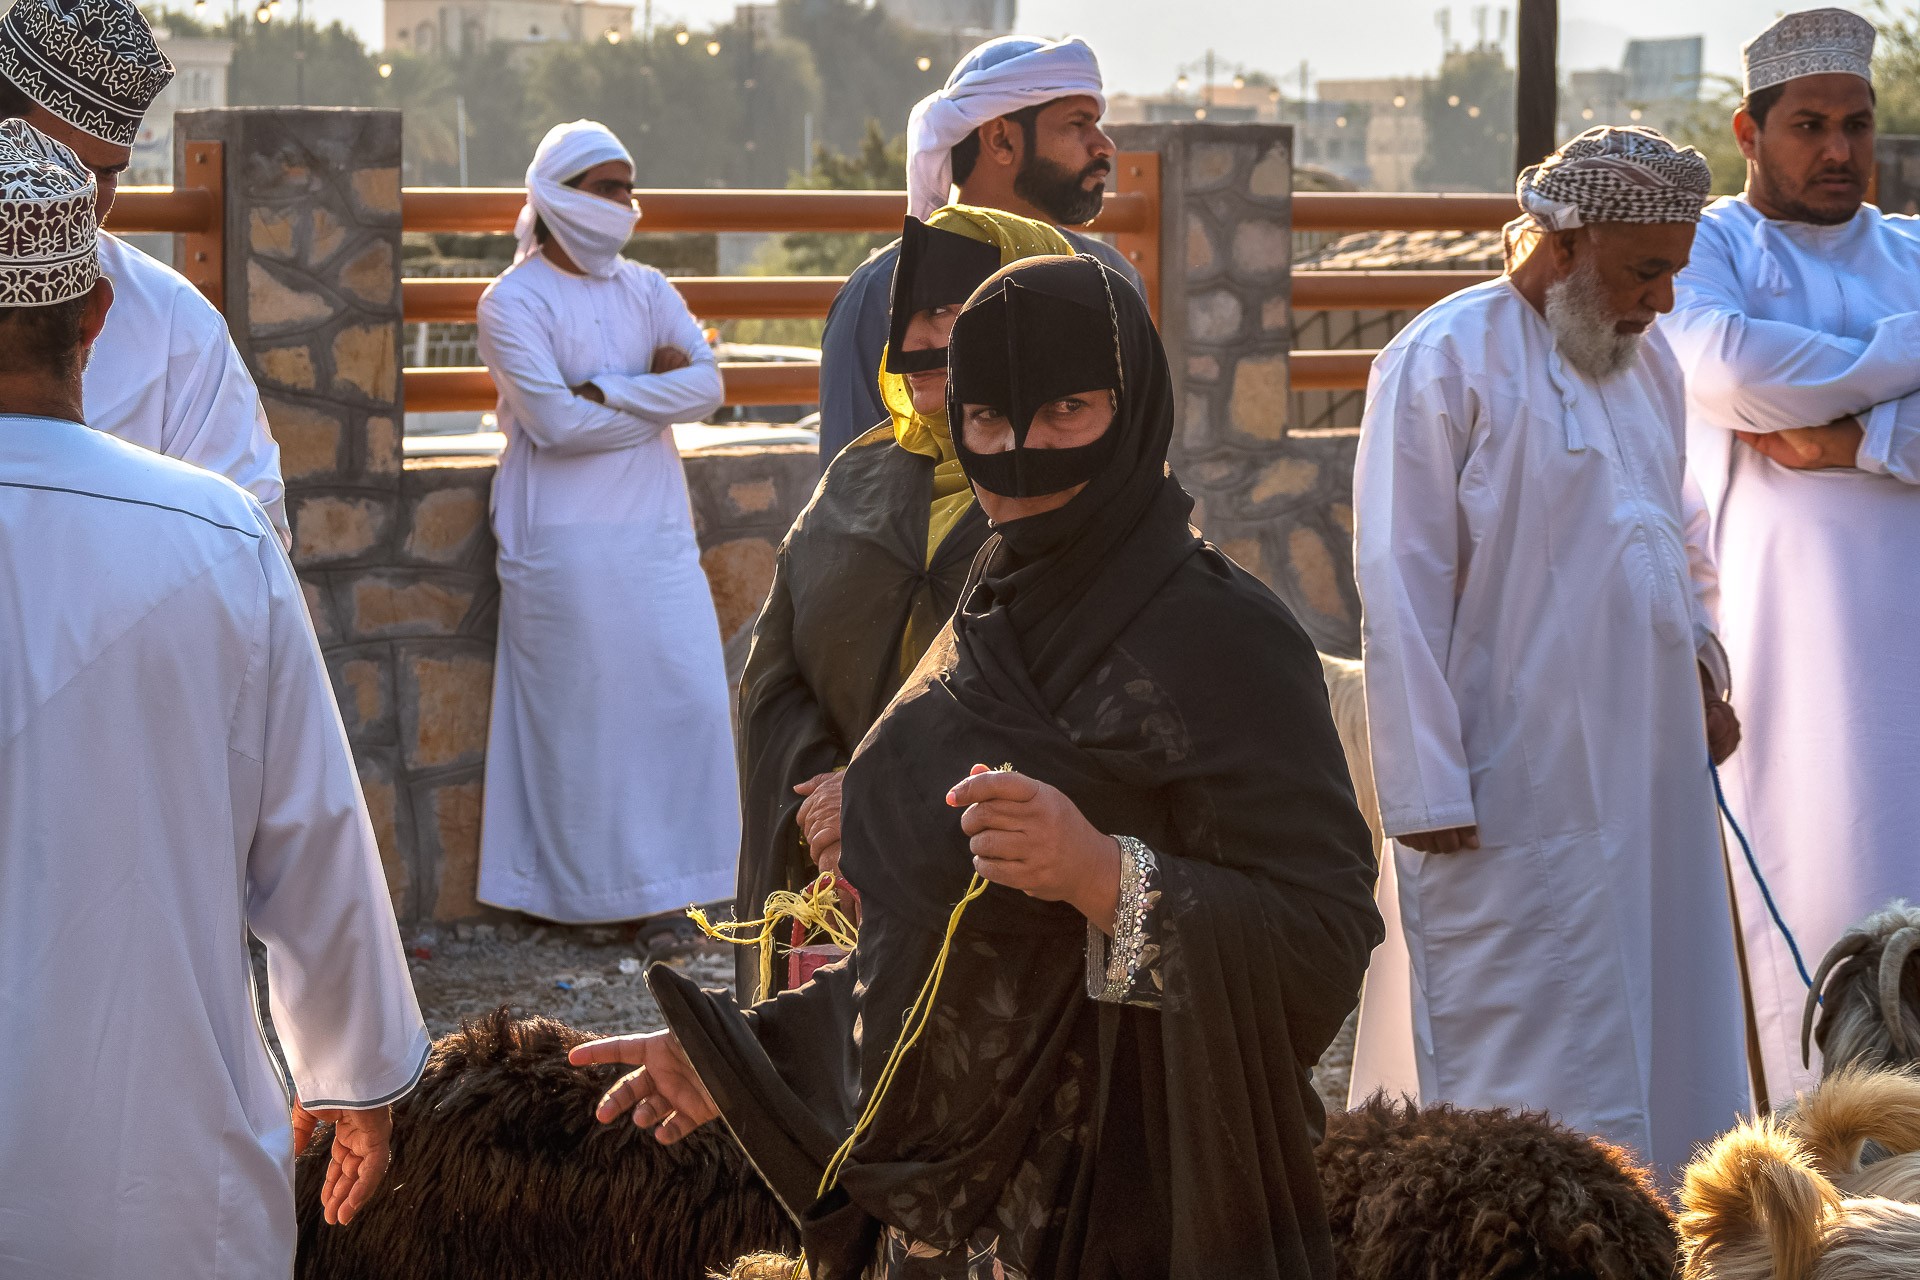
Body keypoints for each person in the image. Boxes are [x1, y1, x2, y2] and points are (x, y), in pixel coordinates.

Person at [575, 255, 1382, 1279]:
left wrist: (1104, 875)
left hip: (1136, 1207)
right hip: (941, 1229)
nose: (1021, 455)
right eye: (990, 420)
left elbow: (1325, 935)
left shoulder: (1227, 640)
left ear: (1135, 408)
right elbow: (941, 958)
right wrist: (739, 1059)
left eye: (1066, 412)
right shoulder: (991, 609)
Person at [0, 119, 427, 1278]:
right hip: (160, 1189)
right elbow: (314, 839)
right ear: (94, 317)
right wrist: (354, 1074)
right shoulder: (219, 537)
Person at [1347, 126, 1749, 1177]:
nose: (1663, 302)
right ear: (1562, 243)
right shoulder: (1443, 357)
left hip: (1652, 770)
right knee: (1524, 1058)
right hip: (1506, 782)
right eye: (1644, 271)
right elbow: (1399, 581)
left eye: (1675, 272)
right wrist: (1427, 788)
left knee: (1670, 1027)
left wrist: (1704, 675)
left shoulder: (1645, 361)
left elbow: (1678, 529)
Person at [1663, 8, 1920, 1104]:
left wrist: (1864, 440)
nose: (1837, 150)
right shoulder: (1713, 245)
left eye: (1855, 125)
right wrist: (1905, 354)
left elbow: (1794, 390)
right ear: (1749, 132)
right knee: (1813, 906)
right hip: (1784, 660)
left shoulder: (1911, 245)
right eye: (1809, 124)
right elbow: (1728, 375)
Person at [734, 205, 1072, 998]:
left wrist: (883, 795)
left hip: (991, 899)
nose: (925, 338)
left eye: (957, 312)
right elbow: (775, 676)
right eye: (916, 312)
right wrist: (819, 791)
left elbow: (1074, 706)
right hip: (826, 865)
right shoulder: (853, 479)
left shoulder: (1079, 495)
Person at [475, 120, 737, 925]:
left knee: (685, 696)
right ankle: (581, 903)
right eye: (610, 189)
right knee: (581, 717)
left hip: (656, 529)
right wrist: (645, 396)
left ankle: (682, 889)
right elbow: (553, 427)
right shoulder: (509, 301)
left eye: (631, 188)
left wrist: (604, 391)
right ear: (557, 195)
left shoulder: (647, 287)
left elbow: (709, 387)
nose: (628, 205)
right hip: (561, 540)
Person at [0, 0, 287, 545]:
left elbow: (249, 542)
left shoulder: (176, 326)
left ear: (94, 315)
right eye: (54, 164)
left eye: (104, 174)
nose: (79, 196)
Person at [815, 35, 1142, 466]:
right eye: (1077, 124)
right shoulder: (882, 290)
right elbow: (852, 490)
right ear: (1002, 140)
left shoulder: (1109, 276)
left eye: (1097, 124)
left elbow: (1136, 453)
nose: (1104, 146)